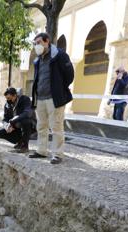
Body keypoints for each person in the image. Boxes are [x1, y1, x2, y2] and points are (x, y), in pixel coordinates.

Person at [28, 32, 74, 164]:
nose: (37, 46)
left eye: (39, 43)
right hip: (40, 98)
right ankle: (41, 151)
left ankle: (57, 154)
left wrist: (59, 88)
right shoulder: (37, 60)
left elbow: (69, 75)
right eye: (35, 44)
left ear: (47, 41)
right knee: (41, 126)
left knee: (56, 127)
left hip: (54, 98)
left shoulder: (59, 55)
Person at [0, 87, 36, 153]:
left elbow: (27, 113)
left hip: (29, 126)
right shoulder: (7, 105)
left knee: (25, 121)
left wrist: (15, 118)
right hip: (16, 126)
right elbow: (5, 118)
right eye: (7, 98)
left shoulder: (25, 99)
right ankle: (20, 141)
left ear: (15, 95)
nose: (8, 100)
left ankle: (25, 146)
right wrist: (6, 125)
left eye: (9, 98)